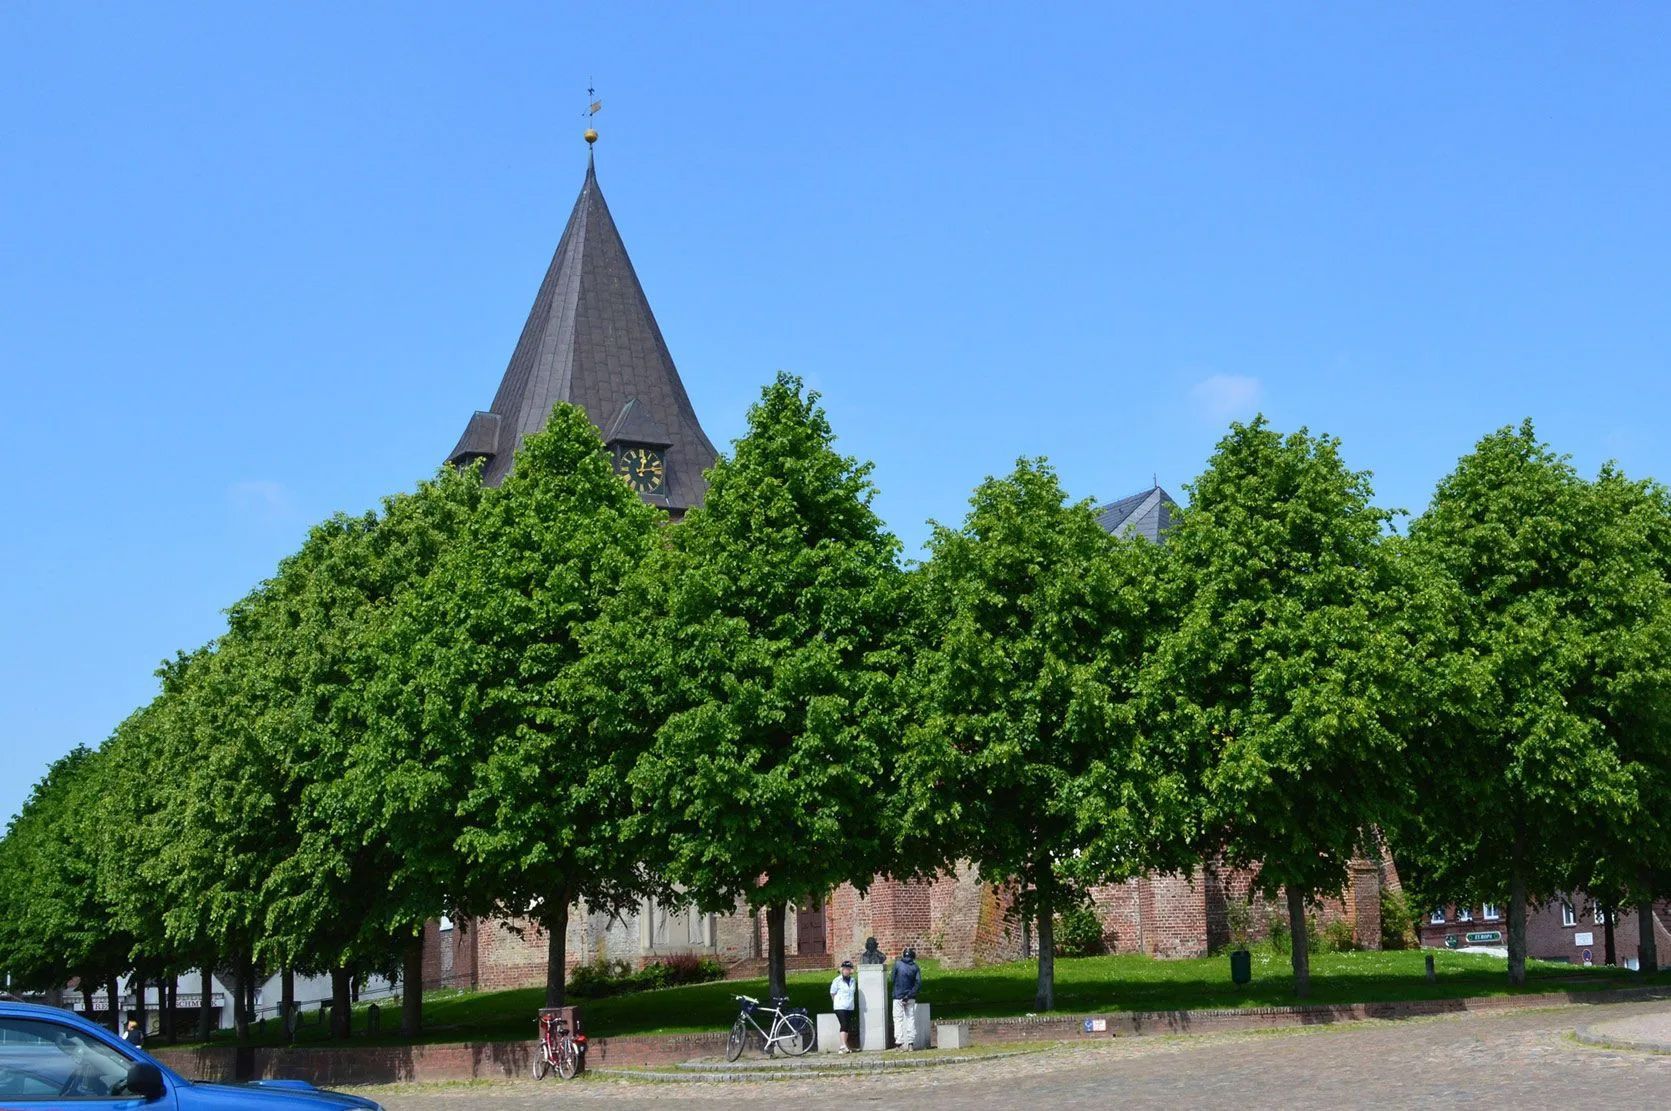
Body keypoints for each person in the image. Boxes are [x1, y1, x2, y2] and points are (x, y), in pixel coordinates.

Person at [891, 946, 921, 1051]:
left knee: (898, 1019)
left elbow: (892, 979)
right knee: (910, 1018)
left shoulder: (897, 965)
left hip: (898, 996)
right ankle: (911, 1043)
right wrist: (910, 994)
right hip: (910, 997)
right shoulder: (915, 967)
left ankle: (899, 1043)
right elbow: (918, 983)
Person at [829, 959, 857, 1053]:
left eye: (848, 969)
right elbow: (832, 993)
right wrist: (836, 1002)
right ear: (842, 970)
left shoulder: (853, 980)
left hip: (849, 1006)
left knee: (847, 1026)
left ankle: (846, 1045)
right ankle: (842, 1046)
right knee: (843, 1024)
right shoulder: (837, 980)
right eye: (845, 969)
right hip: (840, 1006)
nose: (846, 971)